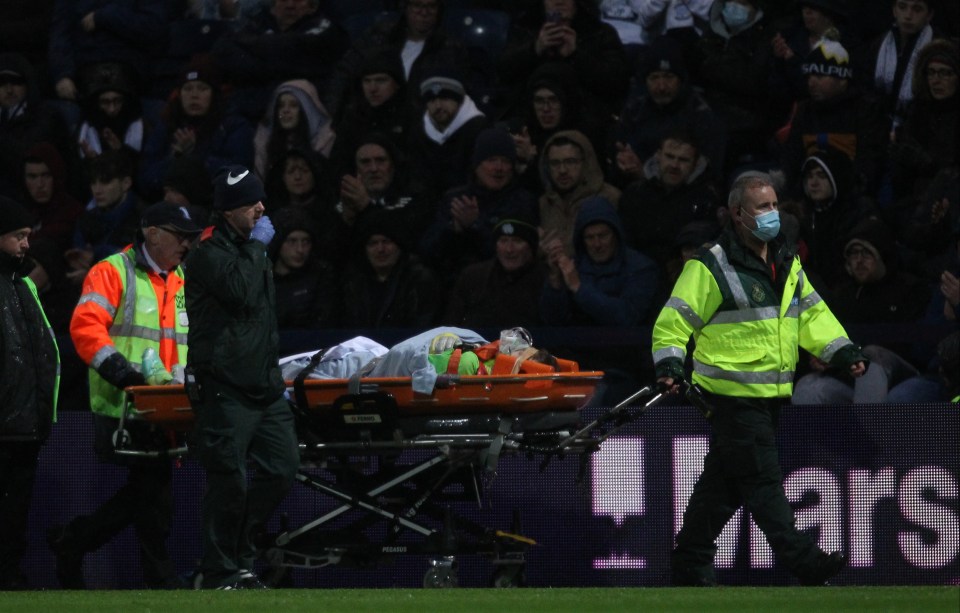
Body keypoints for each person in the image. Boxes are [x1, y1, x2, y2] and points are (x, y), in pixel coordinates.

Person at [651, 171, 867, 586]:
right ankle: (803, 560)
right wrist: (669, 365)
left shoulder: (785, 259)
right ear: (737, 214)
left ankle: (689, 561)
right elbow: (673, 323)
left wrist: (841, 351)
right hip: (730, 394)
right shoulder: (711, 264)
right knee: (763, 481)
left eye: (774, 205)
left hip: (770, 393)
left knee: (726, 482)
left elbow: (811, 313)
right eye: (762, 207)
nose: (773, 215)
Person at [48, 201, 202, 590]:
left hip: (167, 407)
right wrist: (121, 373)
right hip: (123, 405)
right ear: (152, 233)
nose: (187, 243)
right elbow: (85, 329)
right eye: (179, 235)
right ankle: (154, 575)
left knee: (149, 492)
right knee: (152, 491)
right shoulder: (112, 272)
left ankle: (77, 542)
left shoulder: (181, 278)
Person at [183, 165, 300, 589]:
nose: (262, 209)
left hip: (264, 387)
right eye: (252, 203)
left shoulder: (249, 249)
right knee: (228, 479)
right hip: (225, 386)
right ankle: (220, 572)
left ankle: (241, 558)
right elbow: (241, 293)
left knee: (283, 468)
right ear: (230, 210)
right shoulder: (207, 253)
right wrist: (258, 249)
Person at [541, 195, 660, 404]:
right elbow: (553, 321)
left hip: (624, 370)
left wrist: (579, 288)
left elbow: (626, 316)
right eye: (589, 237)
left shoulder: (640, 268)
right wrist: (555, 282)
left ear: (615, 234)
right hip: (574, 368)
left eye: (603, 235)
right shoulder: (572, 267)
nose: (597, 244)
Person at [0, 197, 60, 590]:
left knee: (14, 513)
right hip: (8, 421)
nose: (26, 244)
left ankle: (9, 578)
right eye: (18, 236)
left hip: (22, 424)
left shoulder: (22, 285)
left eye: (27, 236)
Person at [420, 126, 537, 284]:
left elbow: (511, 256)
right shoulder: (455, 198)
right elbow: (427, 251)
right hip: (453, 285)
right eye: (491, 160)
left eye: (505, 161)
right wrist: (455, 228)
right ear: (476, 164)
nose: (499, 168)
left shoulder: (522, 201)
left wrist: (474, 226)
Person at [618, 130, 721, 275]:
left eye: (683, 160)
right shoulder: (635, 193)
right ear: (658, 156)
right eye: (669, 156)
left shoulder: (706, 200)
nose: (674, 165)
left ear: (695, 164)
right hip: (635, 273)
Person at [340, 209, 443, 329]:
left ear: (399, 245)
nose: (380, 249)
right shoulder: (354, 281)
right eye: (373, 243)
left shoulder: (419, 279)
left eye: (386, 242)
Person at [444, 214, 547, 330]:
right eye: (503, 241)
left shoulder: (545, 278)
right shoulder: (473, 276)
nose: (509, 249)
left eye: (517, 241)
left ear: (531, 247)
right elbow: (452, 324)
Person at [406, 69, 489, 200]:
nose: (438, 106)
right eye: (432, 100)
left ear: (459, 100)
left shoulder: (479, 129)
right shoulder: (419, 132)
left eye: (444, 98)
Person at [538, 130, 620, 258]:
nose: (562, 170)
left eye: (570, 162)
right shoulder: (543, 204)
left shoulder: (610, 198)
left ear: (586, 162)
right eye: (555, 163)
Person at [269, 207, 339, 330]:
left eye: (306, 242)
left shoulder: (321, 276)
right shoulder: (261, 278)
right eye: (292, 241)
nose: (300, 249)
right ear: (278, 242)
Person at [252, 79, 335, 181]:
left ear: (307, 110)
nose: (285, 110)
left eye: (293, 105)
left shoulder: (325, 143)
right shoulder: (264, 145)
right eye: (281, 106)